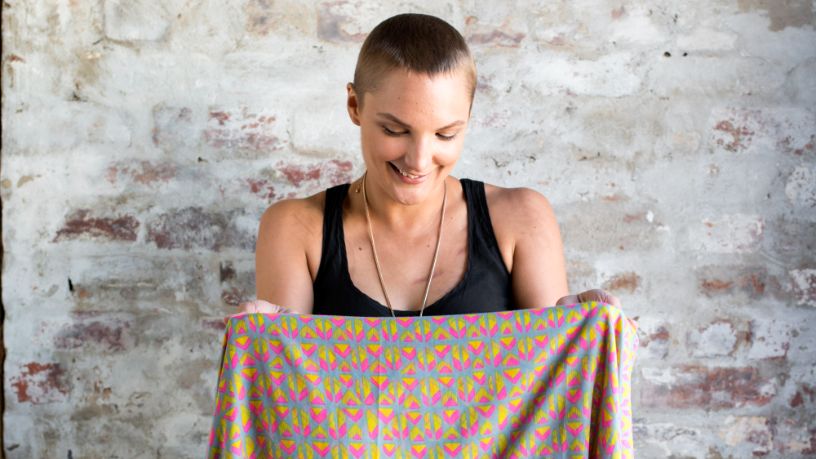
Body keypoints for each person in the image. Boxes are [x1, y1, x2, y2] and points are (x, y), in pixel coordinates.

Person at [241, 13, 620, 317]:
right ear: (355, 107)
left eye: (446, 134)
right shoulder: (295, 227)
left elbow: (549, 388)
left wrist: (575, 335)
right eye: (395, 129)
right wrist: (260, 348)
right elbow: (285, 391)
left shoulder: (521, 218)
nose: (419, 160)